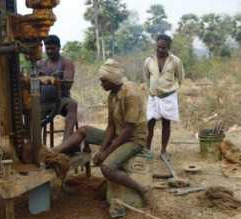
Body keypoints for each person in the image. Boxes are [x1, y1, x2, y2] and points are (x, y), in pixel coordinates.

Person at [53, 59, 150, 205]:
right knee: (83, 130)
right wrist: (102, 149)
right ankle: (54, 153)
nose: (101, 84)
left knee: (107, 168)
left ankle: (140, 189)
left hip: (134, 140)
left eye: (103, 81)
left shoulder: (131, 94)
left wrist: (106, 153)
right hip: (119, 134)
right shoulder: (112, 95)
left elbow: (129, 131)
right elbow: (111, 126)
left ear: (112, 79)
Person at [143, 34, 184, 161]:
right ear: (156, 46)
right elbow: (146, 78)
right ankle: (147, 150)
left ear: (168, 47)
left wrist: (171, 89)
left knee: (166, 124)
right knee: (150, 124)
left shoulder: (175, 61)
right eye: (158, 47)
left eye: (163, 48)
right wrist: (151, 90)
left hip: (168, 97)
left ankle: (163, 151)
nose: (160, 50)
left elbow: (180, 77)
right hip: (153, 97)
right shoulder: (148, 61)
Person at [37, 35, 77, 142]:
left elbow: (68, 84)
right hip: (43, 102)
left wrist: (56, 80)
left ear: (59, 47)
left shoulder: (66, 63)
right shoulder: (40, 64)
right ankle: (35, 145)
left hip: (61, 100)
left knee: (72, 105)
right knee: (30, 110)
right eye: (47, 48)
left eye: (52, 48)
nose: (49, 51)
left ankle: (66, 143)